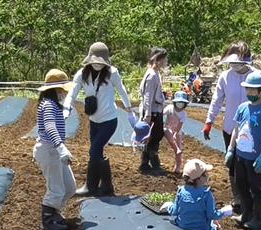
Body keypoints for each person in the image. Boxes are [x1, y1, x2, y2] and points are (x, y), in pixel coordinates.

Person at [203, 41, 261, 208]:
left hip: (254, 128)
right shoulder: (225, 77)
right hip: (231, 128)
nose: (234, 65)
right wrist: (209, 120)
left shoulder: (256, 75)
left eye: (237, 62)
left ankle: (255, 192)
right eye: (231, 62)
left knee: (252, 162)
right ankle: (238, 195)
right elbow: (217, 100)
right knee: (234, 162)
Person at [63, 42, 134, 197]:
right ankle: (105, 186)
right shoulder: (82, 74)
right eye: (94, 61)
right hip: (93, 120)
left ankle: (91, 185)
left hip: (109, 120)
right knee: (96, 152)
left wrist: (129, 109)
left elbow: (121, 90)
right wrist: (67, 107)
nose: (97, 65)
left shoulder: (112, 73)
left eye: (100, 62)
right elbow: (73, 92)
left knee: (93, 150)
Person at [225, 71, 261, 230]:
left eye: (254, 90)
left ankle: (257, 218)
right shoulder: (242, 108)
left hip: (254, 158)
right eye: (248, 90)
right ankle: (245, 214)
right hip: (240, 156)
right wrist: (231, 149)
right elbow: (236, 130)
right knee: (241, 186)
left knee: (257, 188)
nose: (250, 93)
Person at [33, 69, 77, 230]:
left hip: (55, 149)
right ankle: (48, 221)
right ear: (56, 90)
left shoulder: (53, 105)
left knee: (70, 187)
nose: (64, 92)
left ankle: (55, 212)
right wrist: (60, 147)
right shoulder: (48, 105)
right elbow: (50, 127)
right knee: (56, 189)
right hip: (49, 149)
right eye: (63, 89)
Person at [160, 159, 233, 230]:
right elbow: (211, 215)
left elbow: (175, 211)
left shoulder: (181, 191)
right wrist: (224, 211)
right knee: (211, 225)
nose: (207, 175)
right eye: (205, 173)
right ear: (199, 178)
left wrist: (168, 206)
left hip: (183, 226)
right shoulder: (206, 194)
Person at [138, 47, 168, 175]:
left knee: (150, 137)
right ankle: (154, 165)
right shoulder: (152, 75)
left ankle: (145, 163)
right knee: (154, 137)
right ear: (159, 59)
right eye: (165, 59)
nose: (166, 61)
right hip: (153, 111)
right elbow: (147, 96)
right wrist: (148, 114)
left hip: (154, 110)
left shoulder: (154, 73)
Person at [163, 91, 189, 174]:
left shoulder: (183, 114)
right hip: (167, 128)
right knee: (167, 131)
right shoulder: (170, 108)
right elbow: (162, 114)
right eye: (178, 102)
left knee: (179, 152)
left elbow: (179, 125)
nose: (180, 104)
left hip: (177, 131)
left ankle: (177, 168)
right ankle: (176, 148)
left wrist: (176, 133)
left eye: (182, 103)